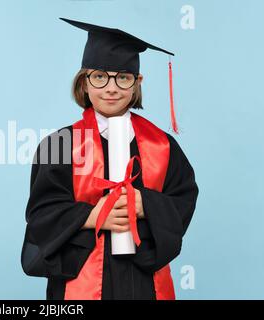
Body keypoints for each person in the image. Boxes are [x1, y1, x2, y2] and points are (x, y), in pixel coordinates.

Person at [21, 18, 199, 300]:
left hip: (143, 281)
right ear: (85, 81)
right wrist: (93, 216)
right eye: (100, 76)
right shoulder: (59, 144)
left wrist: (146, 205)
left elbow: (183, 201)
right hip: (82, 280)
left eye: (123, 77)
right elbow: (41, 218)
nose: (112, 88)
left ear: (137, 82)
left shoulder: (163, 145)